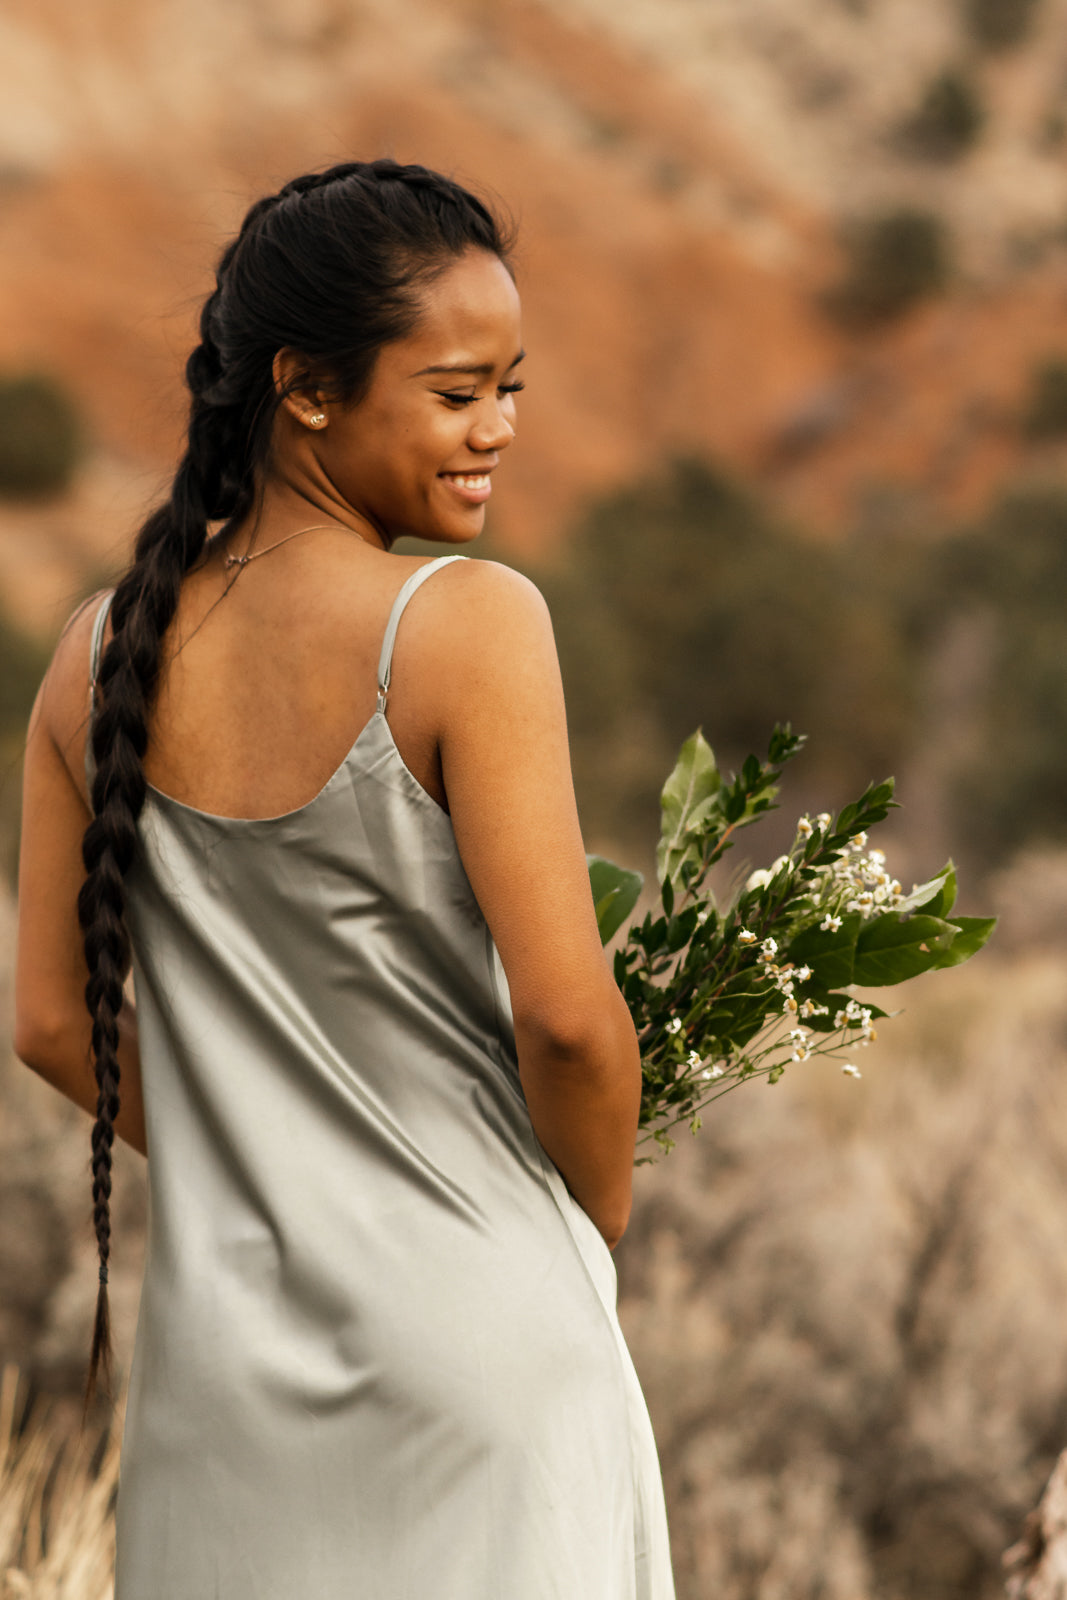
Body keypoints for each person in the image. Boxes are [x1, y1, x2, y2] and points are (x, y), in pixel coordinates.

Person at [13, 158, 676, 1598]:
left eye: (511, 388)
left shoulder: (89, 659)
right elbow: (570, 1023)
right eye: (457, 392)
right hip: (480, 1344)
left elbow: (51, 1025)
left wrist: (267, 1161)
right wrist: (581, 1228)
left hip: (219, 1391)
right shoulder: (468, 626)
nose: (500, 429)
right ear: (305, 389)